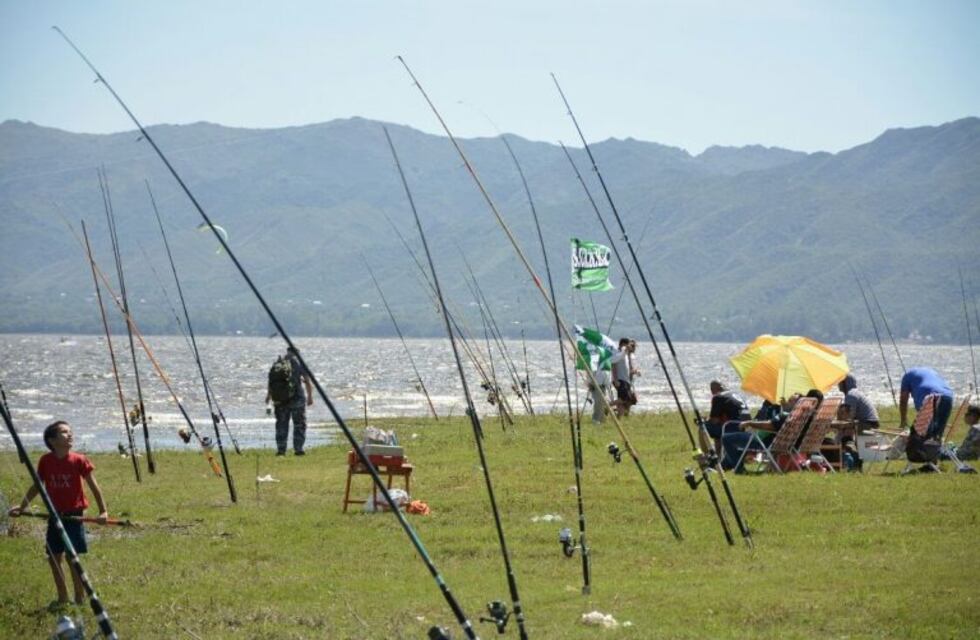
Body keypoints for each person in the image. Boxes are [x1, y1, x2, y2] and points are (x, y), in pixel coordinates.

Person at [7, 421, 108, 606]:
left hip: (74, 515)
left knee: (72, 558)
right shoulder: (46, 461)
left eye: (71, 431)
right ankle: (62, 597)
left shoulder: (79, 460)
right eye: (64, 432)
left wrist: (103, 511)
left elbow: (94, 486)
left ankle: (79, 597)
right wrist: (22, 507)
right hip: (54, 515)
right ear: (52, 440)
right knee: (54, 557)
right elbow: (37, 486)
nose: (70, 435)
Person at [265, 346, 313, 456]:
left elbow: (272, 381)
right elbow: (307, 381)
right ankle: (298, 449)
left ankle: (281, 450)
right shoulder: (299, 363)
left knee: (281, 424)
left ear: (287, 352)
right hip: (297, 399)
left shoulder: (278, 363)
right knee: (299, 424)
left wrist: (268, 396)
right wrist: (310, 396)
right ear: (297, 353)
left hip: (280, 399)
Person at [899, 367, 954, 439]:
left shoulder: (907, 377)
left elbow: (903, 400)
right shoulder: (932, 372)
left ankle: (919, 448)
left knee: (919, 433)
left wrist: (903, 421)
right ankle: (934, 447)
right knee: (937, 434)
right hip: (948, 396)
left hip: (931, 396)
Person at [610, 338, 637, 417]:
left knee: (624, 400)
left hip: (625, 380)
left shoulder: (625, 354)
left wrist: (633, 372)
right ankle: (607, 406)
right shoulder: (618, 353)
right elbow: (613, 365)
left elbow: (627, 368)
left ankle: (619, 417)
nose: (629, 347)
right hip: (620, 380)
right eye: (627, 345)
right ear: (623, 345)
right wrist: (615, 380)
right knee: (625, 399)